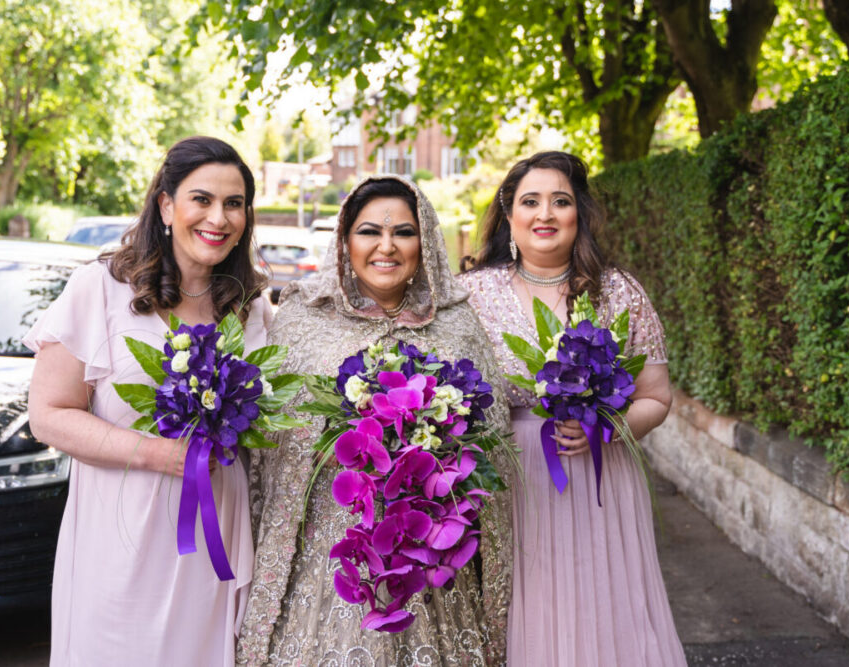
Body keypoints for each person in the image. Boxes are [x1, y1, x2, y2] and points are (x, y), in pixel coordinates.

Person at [236, 176, 513, 665]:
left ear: (425, 243)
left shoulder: (456, 320)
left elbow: (491, 431)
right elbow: (275, 435)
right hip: (332, 537)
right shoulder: (304, 315)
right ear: (345, 241)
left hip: (427, 544)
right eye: (369, 232)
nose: (387, 247)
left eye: (403, 232)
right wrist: (335, 445)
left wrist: (437, 444)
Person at [24, 136, 272, 666]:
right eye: (201, 199)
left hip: (215, 540)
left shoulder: (252, 309)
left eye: (234, 204)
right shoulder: (101, 289)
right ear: (165, 205)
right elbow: (48, 416)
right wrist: (159, 454)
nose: (219, 218)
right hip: (122, 540)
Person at [457, 151, 687, 666]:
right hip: (512, 480)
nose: (545, 214)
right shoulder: (470, 295)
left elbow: (656, 397)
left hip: (601, 478)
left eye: (560, 201)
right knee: (530, 609)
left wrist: (607, 428)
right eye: (530, 201)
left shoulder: (618, 291)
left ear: (578, 212)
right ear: (509, 213)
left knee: (606, 610)